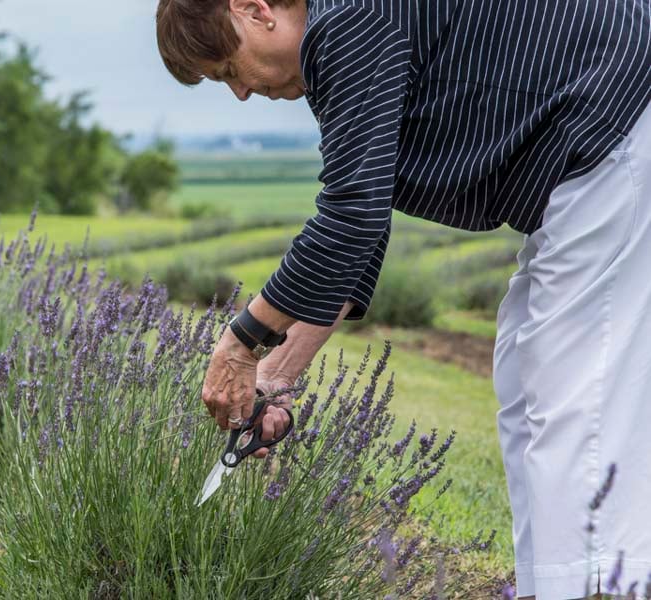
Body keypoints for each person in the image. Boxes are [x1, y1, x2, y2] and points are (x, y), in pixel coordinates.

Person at [156, 0, 650, 598]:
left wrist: (240, 343)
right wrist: (277, 375)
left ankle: (601, 585)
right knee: (526, 379)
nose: (239, 93)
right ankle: (555, 582)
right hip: (602, 147)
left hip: (620, 122)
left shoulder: (347, 21)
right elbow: (359, 229)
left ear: (255, 10)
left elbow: (349, 221)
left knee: (574, 393)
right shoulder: (343, 39)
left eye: (230, 70)